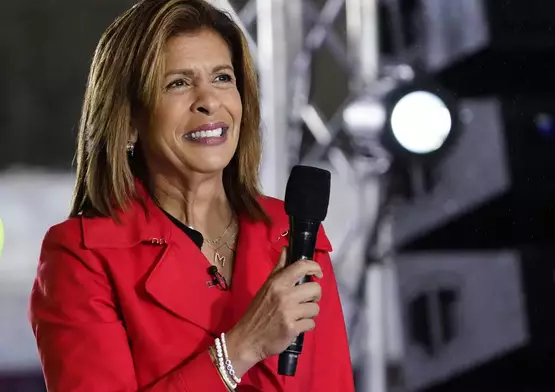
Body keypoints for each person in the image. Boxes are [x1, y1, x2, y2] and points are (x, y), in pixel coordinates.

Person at [27, 0, 355, 390]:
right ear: (130, 122)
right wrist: (239, 349)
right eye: (178, 83)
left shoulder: (291, 230)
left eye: (222, 78)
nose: (209, 101)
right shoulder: (82, 257)